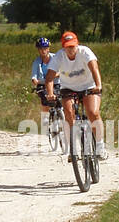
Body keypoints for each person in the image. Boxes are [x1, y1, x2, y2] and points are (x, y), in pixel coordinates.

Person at [44, 31, 105, 159]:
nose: (71, 50)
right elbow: (49, 77)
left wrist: (98, 85)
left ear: (77, 45)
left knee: (93, 112)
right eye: (68, 47)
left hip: (88, 86)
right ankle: (73, 149)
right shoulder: (59, 57)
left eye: (73, 46)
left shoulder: (85, 52)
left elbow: (94, 68)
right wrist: (50, 94)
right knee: (69, 115)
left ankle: (100, 146)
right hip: (68, 88)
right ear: (63, 47)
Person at [30, 36, 59, 129]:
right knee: (45, 100)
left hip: (56, 83)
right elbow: (34, 75)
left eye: (45, 49)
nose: (43, 51)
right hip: (42, 84)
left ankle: (61, 117)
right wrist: (34, 80)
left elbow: (62, 70)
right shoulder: (37, 61)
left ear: (49, 49)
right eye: (41, 49)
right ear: (38, 50)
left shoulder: (55, 58)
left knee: (61, 99)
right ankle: (46, 122)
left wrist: (55, 75)